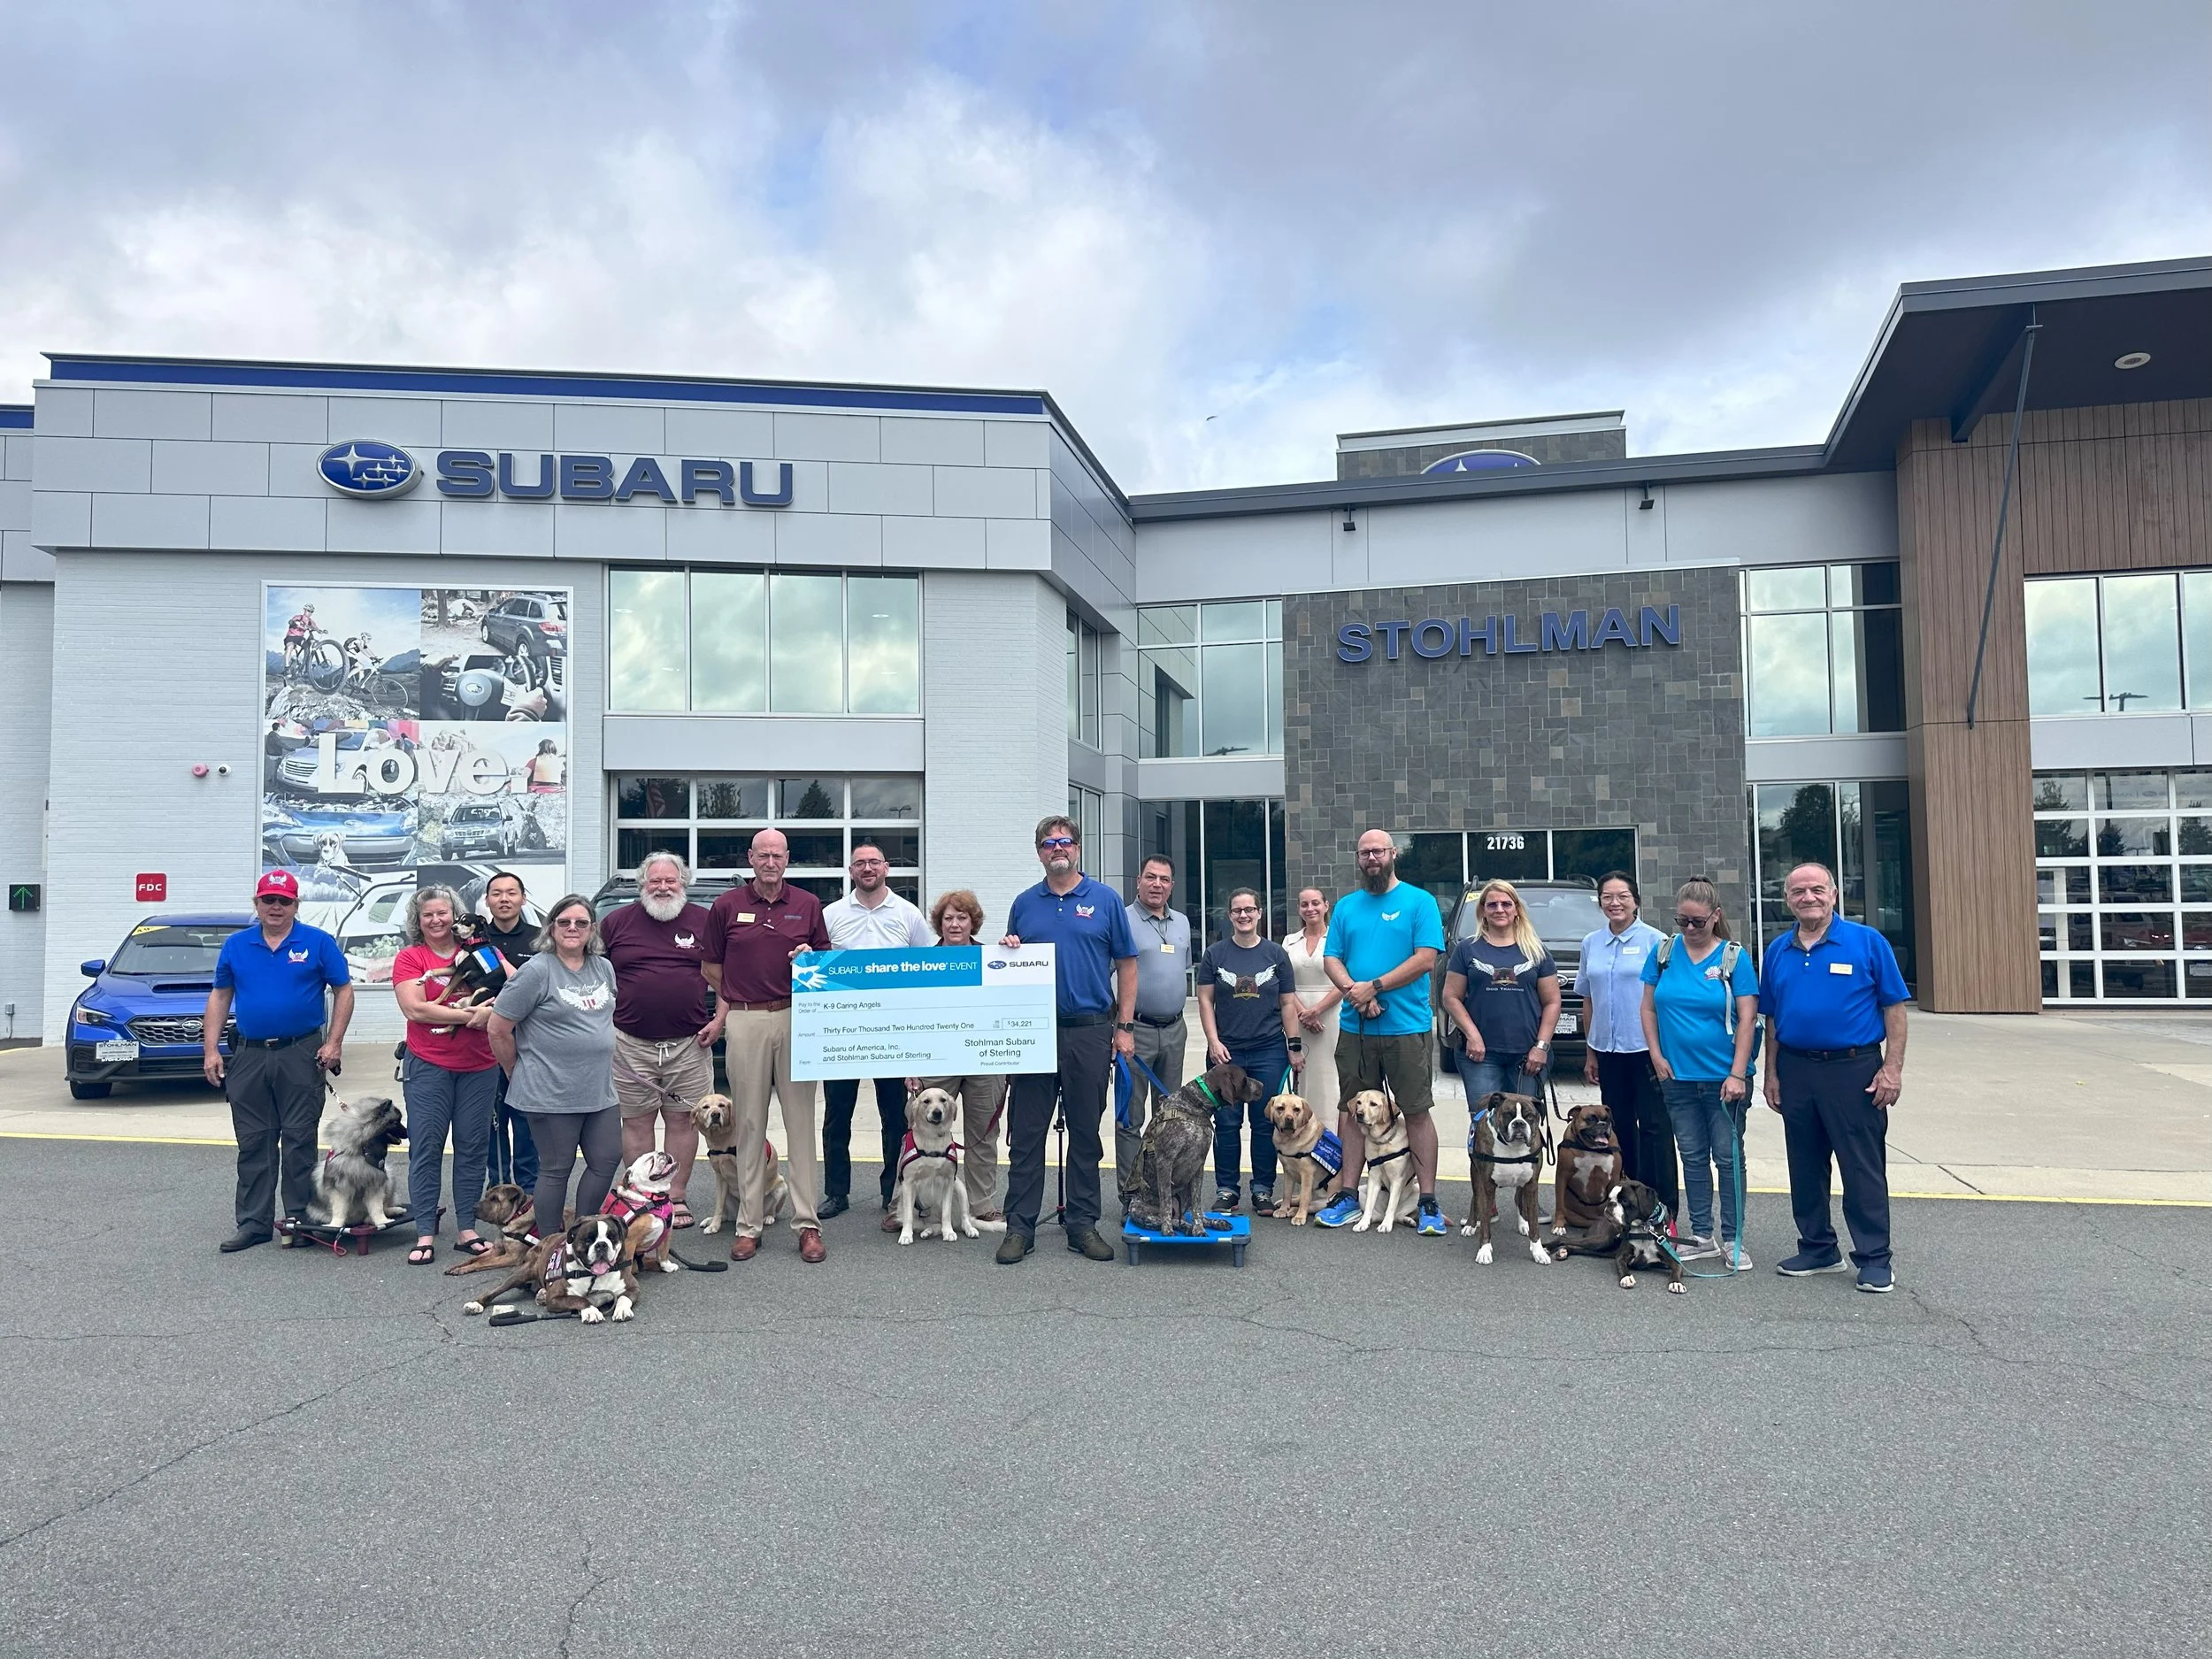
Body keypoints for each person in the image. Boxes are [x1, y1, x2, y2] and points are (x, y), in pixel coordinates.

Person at [1759, 861, 1910, 1293]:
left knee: (1860, 1166)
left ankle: (1875, 1257)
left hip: (1853, 1069)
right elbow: (1772, 1018)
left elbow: (1895, 1009)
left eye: (1816, 890)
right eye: (1798, 892)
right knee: (1805, 1164)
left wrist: (1892, 1068)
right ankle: (1818, 1247)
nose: (1808, 898)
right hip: (1796, 1068)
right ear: (1787, 899)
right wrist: (1771, 1073)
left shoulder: (1866, 942)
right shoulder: (1778, 950)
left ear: (1834, 894)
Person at [995, 815, 1138, 1264]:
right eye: (1049, 843)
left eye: (1066, 841)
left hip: (1091, 1032)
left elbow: (1128, 966)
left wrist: (1125, 1028)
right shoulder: (1024, 903)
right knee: (1027, 1134)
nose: (1058, 848)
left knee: (1084, 1133)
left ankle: (1082, 1223)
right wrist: (1007, 950)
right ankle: (1020, 1227)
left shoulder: (1105, 900)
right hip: (1034, 1032)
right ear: (1038, 851)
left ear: (1078, 848)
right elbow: (1007, 962)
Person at [203, 869, 356, 1252]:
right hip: (250, 1055)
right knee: (254, 1141)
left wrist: (333, 1042)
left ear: (295, 905)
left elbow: (344, 990)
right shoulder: (237, 945)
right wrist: (210, 1050)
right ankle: (254, 1224)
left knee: (300, 1140)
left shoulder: (318, 942)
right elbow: (220, 997)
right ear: (256, 904)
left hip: (300, 1052)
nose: (275, 907)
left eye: (283, 900)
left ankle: (300, 1219)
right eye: (268, 900)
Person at [704, 828, 831, 1263]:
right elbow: (709, 965)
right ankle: (748, 1225)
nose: (770, 862)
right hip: (746, 1018)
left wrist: (807, 957)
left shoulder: (808, 904)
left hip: (796, 1015)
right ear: (750, 859)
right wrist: (738, 992)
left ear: (787, 859)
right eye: (763, 855)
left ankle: (807, 1224)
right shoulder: (727, 906)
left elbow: (825, 962)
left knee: (800, 1124)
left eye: (778, 855)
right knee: (750, 1126)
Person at [1315, 831, 1447, 1234]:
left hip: (1407, 1027)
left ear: (1393, 854)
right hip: (1356, 1029)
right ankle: (1348, 1197)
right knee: (1352, 1112)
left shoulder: (1419, 902)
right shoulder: (1346, 908)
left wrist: (1375, 986)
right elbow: (1331, 958)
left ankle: (1427, 1202)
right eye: (1364, 853)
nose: (1371, 858)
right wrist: (1356, 993)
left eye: (1378, 851)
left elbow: (1425, 959)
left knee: (1417, 1111)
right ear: (1358, 859)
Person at [1640, 877, 1760, 1268]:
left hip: (1724, 1079)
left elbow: (1747, 1018)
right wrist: (1656, 1055)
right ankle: (1703, 1234)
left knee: (1727, 1158)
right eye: (1683, 922)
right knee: (1691, 1156)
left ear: (1716, 917)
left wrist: (1738, 1073)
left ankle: (1733, 1238)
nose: (1690, 930)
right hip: (1677, 1076)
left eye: (1698, 922)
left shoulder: (1733, 957)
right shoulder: (1663, 953)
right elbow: (1648, 1008)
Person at [488, 895, 620, 1237]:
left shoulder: (603, 967)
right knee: (557, 1169)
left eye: (581, 923)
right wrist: (515, 1072)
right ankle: (549, 1245)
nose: (572, 929)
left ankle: (583, 1232)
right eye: (564, 922)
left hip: (599, 1089)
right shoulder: (536, 971)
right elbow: (498, 1028)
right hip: (550, 1091)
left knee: (606, 1160)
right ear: (551, 928)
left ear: (592, 929)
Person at [598, 851, 717, 1230]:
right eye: (655, 881)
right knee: (636, 1122)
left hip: (689, 1043)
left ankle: (676, 1195)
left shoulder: (704, 921)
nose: (663, 887)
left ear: (684, 883)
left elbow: (727, 974)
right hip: (630, 1043)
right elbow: (593, 976)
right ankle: (643, 1196)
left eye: (671, 880)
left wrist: (722, 1020)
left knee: (683, 1120)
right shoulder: (615, 923)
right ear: (642, 885)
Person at [819, 841, 934, 1228]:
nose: (867, 868)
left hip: (893, 1033)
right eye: (860, 864)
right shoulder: (831, 914)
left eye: (874, 862)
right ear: (850, 872)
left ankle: (893, 1191)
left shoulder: (908, 913)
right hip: (842, 1031)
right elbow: (816, 967)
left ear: (886, 868)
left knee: (894, 1117)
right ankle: (837, 1191)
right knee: (837, 1115)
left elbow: (926, 969)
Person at [390, 885, 500, 1264]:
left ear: (456, 915)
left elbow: (518, 985)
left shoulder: (480, 950)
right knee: (426, 1149)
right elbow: (416, 1010)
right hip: (429, 1066)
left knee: (472, 1149)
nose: (437, 920)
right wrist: (473, 1016)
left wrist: (496, 1008)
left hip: (480, 1066)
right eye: (428, 915)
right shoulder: (410, 958)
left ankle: (467, 1227)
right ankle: (424, 1231)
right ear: (418, 922)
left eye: (443, 913)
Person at [1194, 887, 1302, 1214]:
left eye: (1250, 910)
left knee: (1264, 1122)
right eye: (1237, 911)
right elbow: (1205, 1000)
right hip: (1226, 1055)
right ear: (1229, 916)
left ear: (1259, 914)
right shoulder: (1215, 954)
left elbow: (1287, 1003)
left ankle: (1262, 1190)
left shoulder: (1276, 954)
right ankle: (1227, 1189)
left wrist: (1294, 1047)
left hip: (1268, 1049)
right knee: (1226, 1123)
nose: (1244, 915)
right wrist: (1213, 1041)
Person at [1578, 871, 1677, 1212]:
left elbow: (1669, 998)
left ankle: (1663, 1205)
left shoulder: (1656, 941)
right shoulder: (1591, 942)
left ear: (1635, 901)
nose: (1615, 903)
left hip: (1647, 1051)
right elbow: (1588, 998)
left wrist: (1665, 1051)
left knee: (1654, 1128)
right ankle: (1628, 1201)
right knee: (1617, 1128)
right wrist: (1590, 1051)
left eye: (1622, 896)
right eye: (1607, 897)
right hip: (1608, 1051)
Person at [910, 889, 1010, 1223]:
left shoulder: (996, 960)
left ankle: (982, 1206)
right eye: (948, 918)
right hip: (937, 1057)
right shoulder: (922, 964)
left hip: (986, 1059)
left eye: (962, 918)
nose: (955, 924)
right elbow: (909, 1016)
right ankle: (914, 1204)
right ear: (939, 923)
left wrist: (1016, 956)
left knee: (983, 1133)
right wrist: (910, 1064)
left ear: (973, 922)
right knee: (920, 1127)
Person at [1440, 878, 1562, 1110]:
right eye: (1492, 905)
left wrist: (1541, 1046)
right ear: (1482, 911)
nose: (1499, 910)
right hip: (1480, 1055)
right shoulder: (1467, 948)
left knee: (1524, 1126)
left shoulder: (1536, 950)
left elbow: (1552, 1002)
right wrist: (1472, 1036)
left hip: (1527, 1056)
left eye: (1506, 904)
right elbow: (1451, 997)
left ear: (1517, 910)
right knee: (1485, 1124)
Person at [1118, 854, 1191, 1213]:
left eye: (1164, 879)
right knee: (1131, 1119)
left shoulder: (1182, 922)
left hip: (1175, 1030)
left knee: (1170, 1120)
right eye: (1150, 877)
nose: (1157, 884)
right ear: (1138, 880)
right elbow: (1107, 974)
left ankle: (1164, 1193)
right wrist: (1119, 1028)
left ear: (1172, 885)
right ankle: (1131, 1193)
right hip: (1137, 1031)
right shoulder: (1123, 920)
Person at [475, 870, 539, 1193]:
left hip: (527, 1045)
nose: (504, 899)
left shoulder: (540, 939)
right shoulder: (474, 939)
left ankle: (529, 1191)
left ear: (523, 898)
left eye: (511, 893)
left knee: (527, 1121)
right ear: (487, 900)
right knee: (492, 1120)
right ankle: (498, 1188)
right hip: (481, 1045)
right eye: (496, 893)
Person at [1283, 887, 1342, 1127]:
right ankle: (1302, 1133)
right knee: (1303, 1078)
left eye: (1316, 903)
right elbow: (1284, 983)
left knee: (1332, 1079)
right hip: (1297, 1018)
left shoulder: (1338, 939)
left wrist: (1317, 1010)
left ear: (1326, 906)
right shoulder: (1289, 942)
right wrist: (1303, 1013)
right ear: (1298, 909)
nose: (1310, 909)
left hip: (1332, 1017)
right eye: (1304, 904)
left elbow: (1346, 980)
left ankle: (1332, 1137)